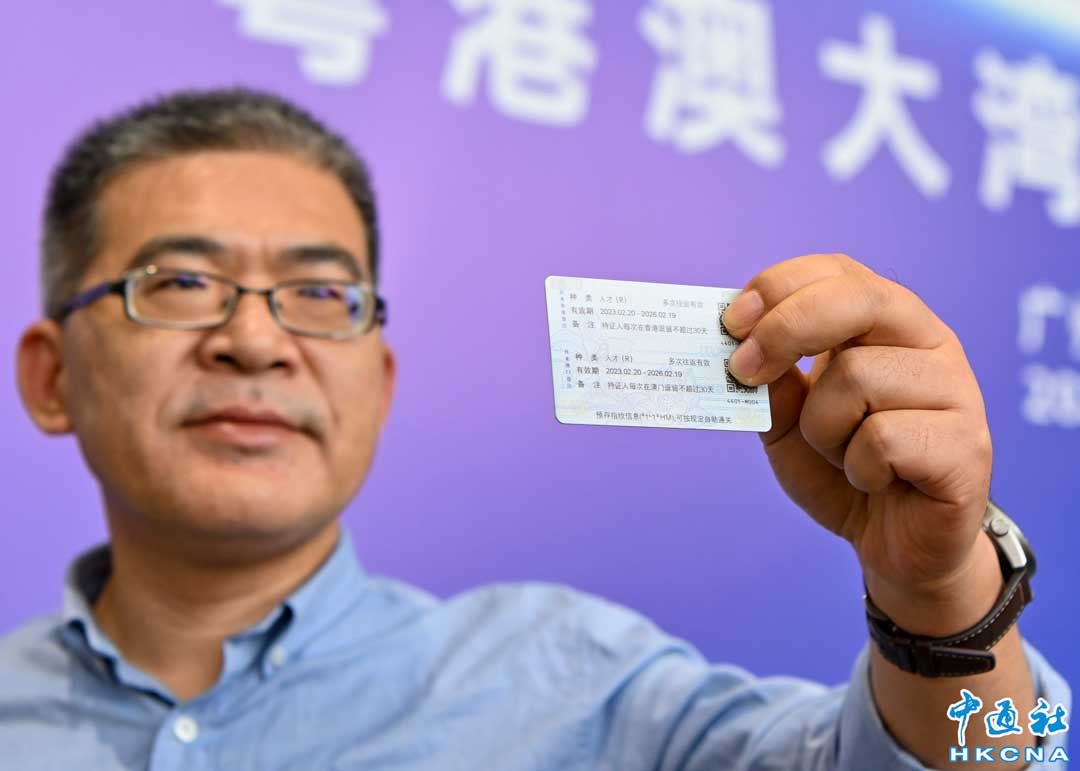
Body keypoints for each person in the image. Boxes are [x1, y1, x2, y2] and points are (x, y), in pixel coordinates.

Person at [1, 88, 1069, 770]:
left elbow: (1014, 758)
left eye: (321, 294)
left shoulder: (579, 686)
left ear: (378, 383)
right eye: (181, 283)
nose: (254, 340)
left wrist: (940, 599)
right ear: (51, 378)